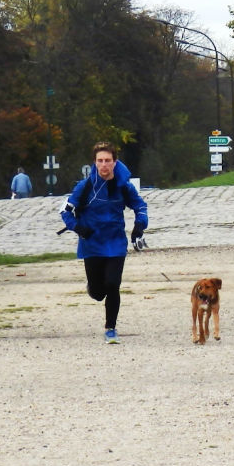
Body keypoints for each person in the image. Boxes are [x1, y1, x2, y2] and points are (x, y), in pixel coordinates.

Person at [59, 142, 148, 344]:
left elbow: (140, 206)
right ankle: (92, 288)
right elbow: (65, 210)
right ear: (95, 163)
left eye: (108, 160)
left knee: (113, 285)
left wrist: (139, 226)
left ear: (115, 162)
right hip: (91, 243)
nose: (104, 164)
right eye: (100, 161)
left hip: (116, 242)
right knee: (99, 292)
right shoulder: (85, 187)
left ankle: (111, 328)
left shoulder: (124, 187)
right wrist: (77, 227)